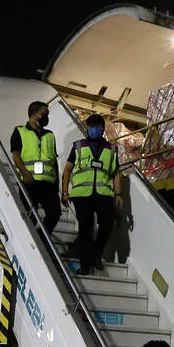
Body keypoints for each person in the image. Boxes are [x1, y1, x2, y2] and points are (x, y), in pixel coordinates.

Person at [60, 113, 124, 275]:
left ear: (102, 129)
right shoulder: (78, 146)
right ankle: (85, 265)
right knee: (85, 229)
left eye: (96, 127)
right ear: (87, 128)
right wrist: (65, 192)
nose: (93, 130)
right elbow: (67, 170)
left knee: (107, 224)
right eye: (90, 127)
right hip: (81, 194)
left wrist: (119, 194)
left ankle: (97, 253)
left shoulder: (111, 150)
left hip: (104, 193)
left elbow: (116, 173)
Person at [10, 101, 60, 235]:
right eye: (44, 114)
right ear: (33, 114)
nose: (46, 118)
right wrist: (26, 174)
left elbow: (54, 161)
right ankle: (25, 240)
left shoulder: (50, 135)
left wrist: (57, 186)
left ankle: (41, 240)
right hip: (29, 182)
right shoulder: (20, 132)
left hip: (47, 184)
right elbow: (16, 156)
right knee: (30, 216)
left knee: (55, 213)